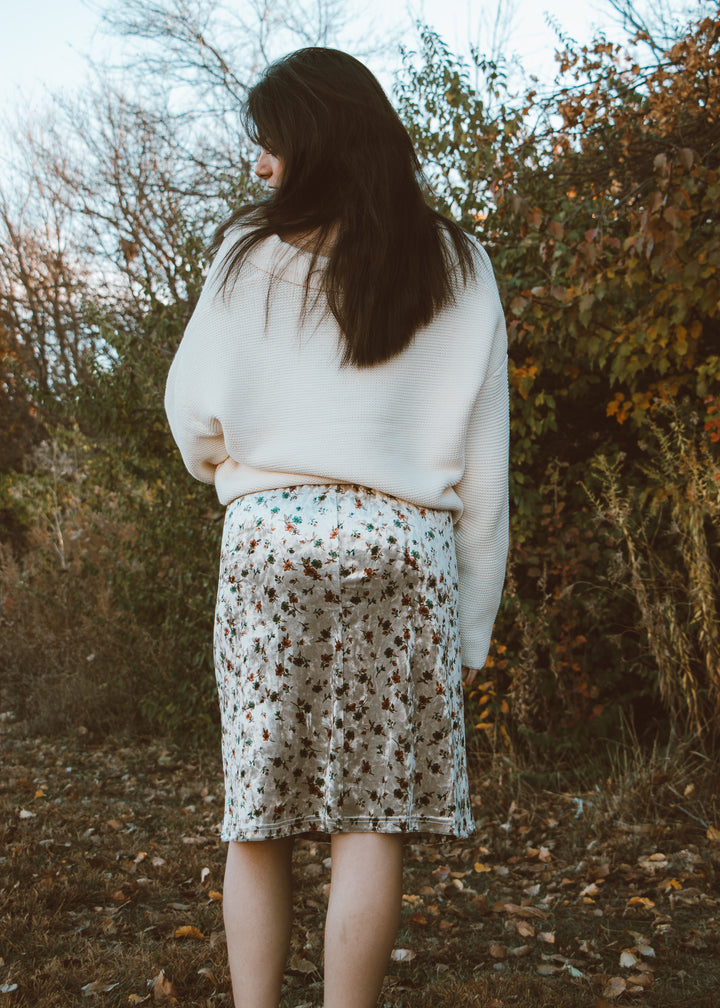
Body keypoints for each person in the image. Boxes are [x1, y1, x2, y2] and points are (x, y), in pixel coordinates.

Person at [164, 46, 509, 1008]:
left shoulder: (248, 256)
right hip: (406, 556)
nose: (258, 165)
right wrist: (470, 624)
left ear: (311, 140)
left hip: (270, 549)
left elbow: (193, 413)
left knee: (258, 821)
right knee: (372, 822)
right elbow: (486, 459)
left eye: (267, 143)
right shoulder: (458, 259)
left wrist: (239, 470)